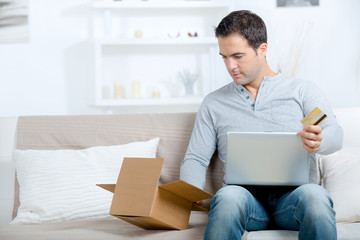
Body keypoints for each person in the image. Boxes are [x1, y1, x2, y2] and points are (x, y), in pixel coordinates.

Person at [180, 10, 343, 240]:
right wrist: (189, 191)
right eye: (224, 57)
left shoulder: (300, 92)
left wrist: (319, 140)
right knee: (227, 198)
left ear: (262, 49)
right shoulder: (214, 103)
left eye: (237, 56)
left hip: (294, 200)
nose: (230, 66)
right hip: (244, 201)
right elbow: (196, 158)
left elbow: (334, 133)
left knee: (316, 196)